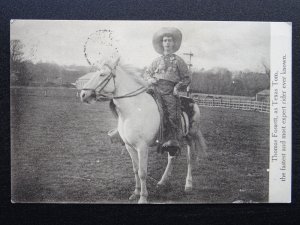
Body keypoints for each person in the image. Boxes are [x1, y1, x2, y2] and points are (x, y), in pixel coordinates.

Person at [144, 27, 191, 151]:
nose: (167, 43)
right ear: (162, 43)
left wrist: (177, 87)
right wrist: (150, 79)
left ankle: (172, 139)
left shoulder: (179, 61)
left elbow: (186, 78)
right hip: (154, 89)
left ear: (173, 43)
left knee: (172, 114)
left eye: (170, 40)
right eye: (165, 41)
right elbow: (147, 73)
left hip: (170, 91)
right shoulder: (156, 61)